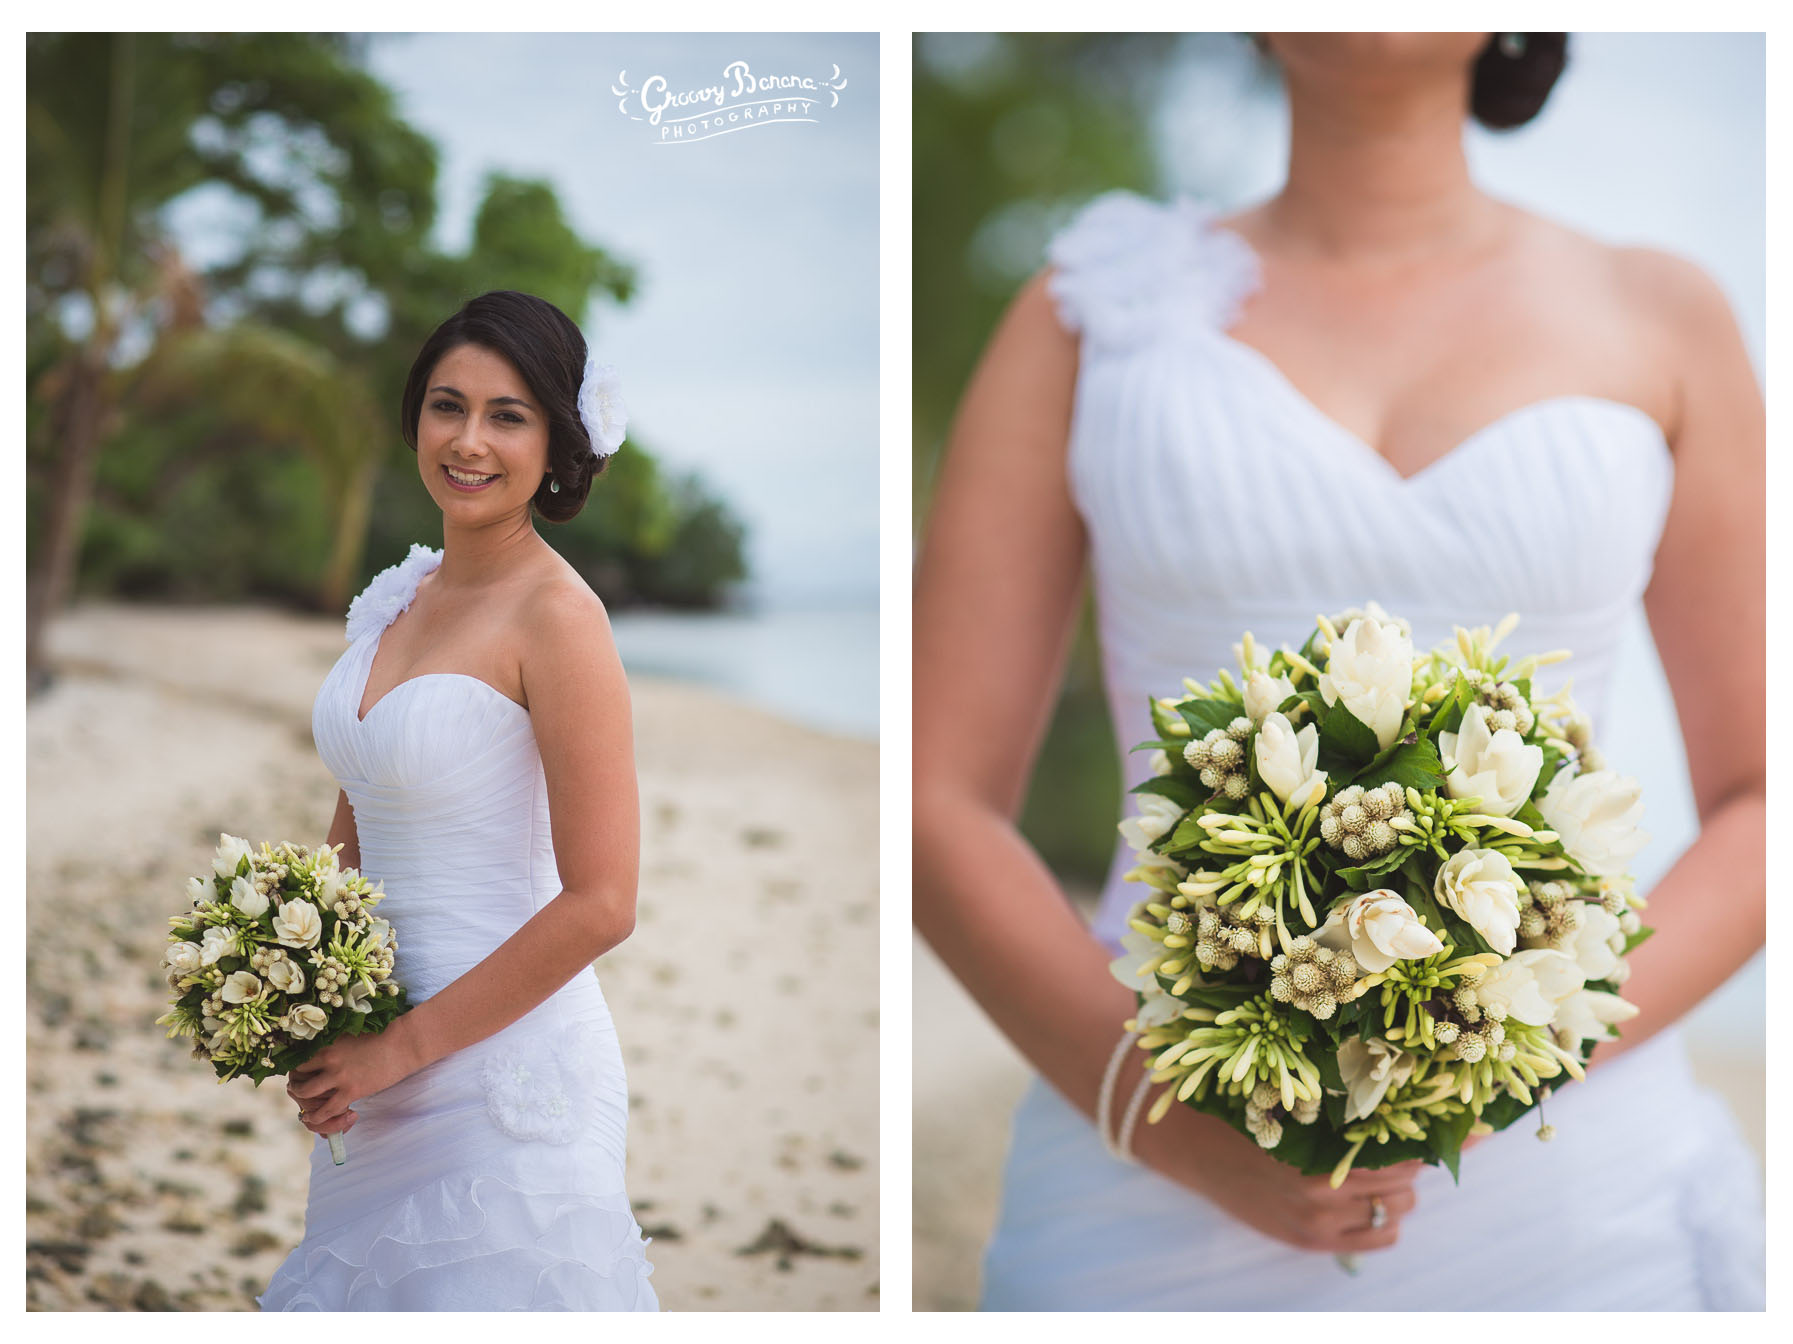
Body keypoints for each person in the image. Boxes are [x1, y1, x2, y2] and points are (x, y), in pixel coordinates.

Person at [913, 33, 1764, 1310]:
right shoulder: (1085, 314)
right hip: (1156, 1170)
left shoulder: (1660, 314)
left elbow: (1763, 796)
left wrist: (1509, 1051)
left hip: (1572, 1185)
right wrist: (1162, 1116)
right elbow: (935, 797)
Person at [260, 290, 659, 1310]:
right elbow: (357, 816)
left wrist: (399, 1048)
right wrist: (305, 996)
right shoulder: (399, 597)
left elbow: (603, 903)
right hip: (372, 1068)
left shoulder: (561, 619)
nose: (468, 440)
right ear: (417, 418)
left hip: (505, 1070)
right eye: (448, 405)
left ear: (555, 443)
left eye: (506, 416)